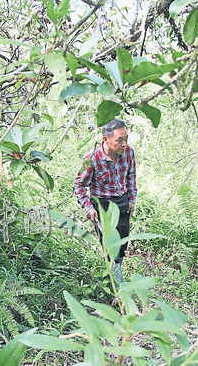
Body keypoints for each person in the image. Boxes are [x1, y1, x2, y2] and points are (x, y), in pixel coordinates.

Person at [73, 119, 137, 284]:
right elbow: (79, 185)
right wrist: (88, 208)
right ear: (105, 140)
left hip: (122, 203)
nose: (124, 144)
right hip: (103, 205)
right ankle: (119, 289)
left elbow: (131, 175)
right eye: (119, 140)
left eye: (126, 139)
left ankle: (115, 274)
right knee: (110, 248)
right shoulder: (92, 157)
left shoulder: (129, 152)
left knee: (122, 245)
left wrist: (131, 198)